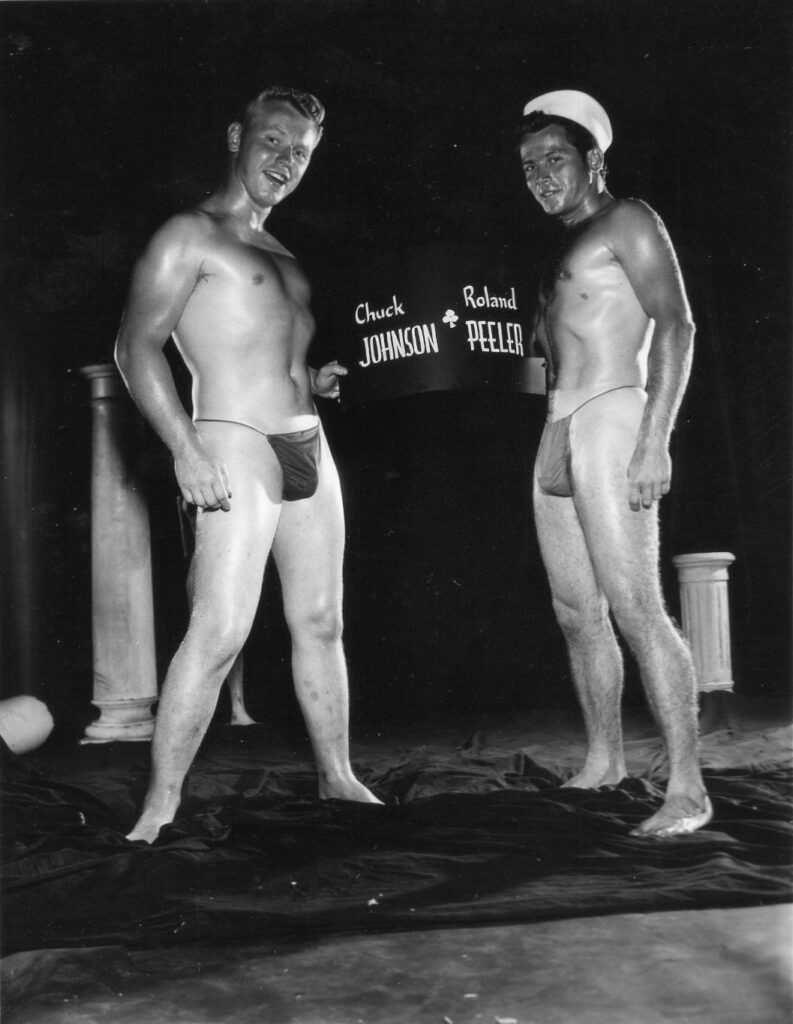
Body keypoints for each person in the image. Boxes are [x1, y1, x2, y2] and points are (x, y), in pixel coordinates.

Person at [115, 85, 381, 844]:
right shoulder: (190, 233)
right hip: (233, 439)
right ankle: (160, 806)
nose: (285, 160)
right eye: (273, 142)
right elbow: (134, 346)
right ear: (237, 136)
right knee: (222, 627)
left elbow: (271, 354)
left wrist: (316, 379)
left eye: (301, 152)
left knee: (321, 620)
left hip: (307, 440)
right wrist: (185, 448)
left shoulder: (282, 253)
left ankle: (337, 776)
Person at [517, 90, 711, 836]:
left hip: (612, 416)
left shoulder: (628, 218)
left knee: (635, 607)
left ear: (593, 159)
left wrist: (654, 438)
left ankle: (688, 790)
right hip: (558, 426)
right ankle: (605, 761)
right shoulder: (561, 249)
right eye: (529, 165)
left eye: (554, 158)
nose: (540, 174)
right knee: (576, 613)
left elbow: (676, 323)